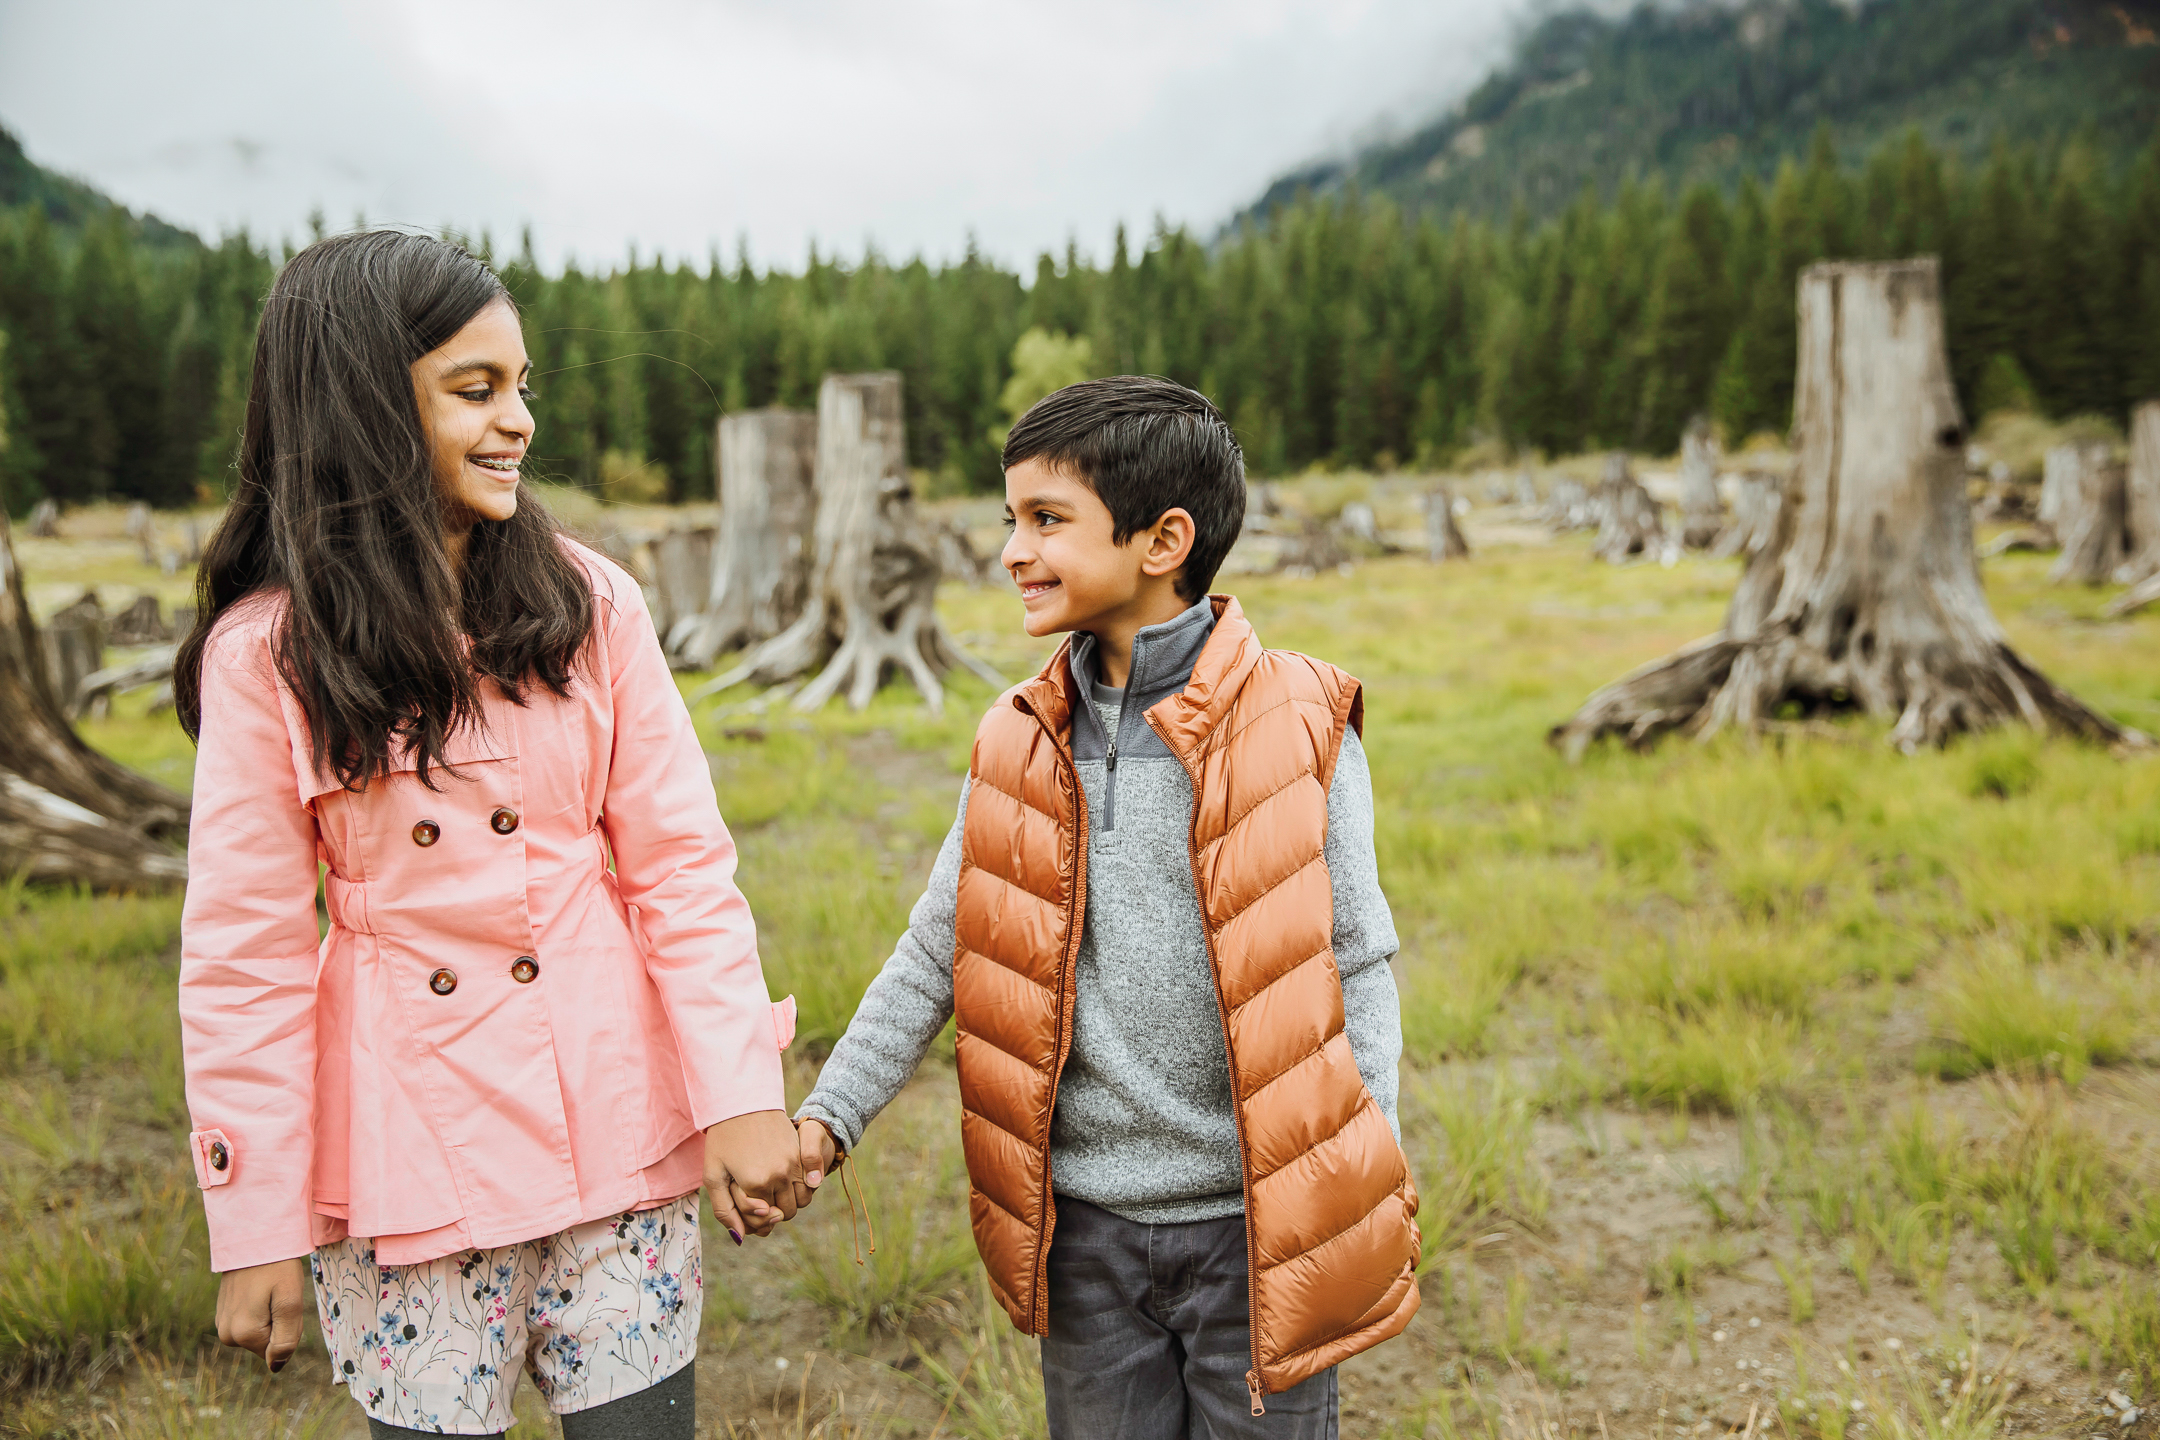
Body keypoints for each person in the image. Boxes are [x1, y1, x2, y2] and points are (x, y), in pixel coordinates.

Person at [174, 230, 807, 1440]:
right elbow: (244, 956)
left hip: (616, 1115)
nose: (518, 421)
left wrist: (737, 1093)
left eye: (523, 387)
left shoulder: (589, 603)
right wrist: (252, 1218)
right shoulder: (268, 656)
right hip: (410, 1148)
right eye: (476, 391)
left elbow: (680, 868)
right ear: (363, 406)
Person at [794, 376, 1421, 1437]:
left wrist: (1351, 1190)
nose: (1012, 550)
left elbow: (1357, 958)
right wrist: (829, 1116)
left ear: (1162, 539)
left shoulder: (1301, 720)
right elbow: (941, 942)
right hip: (1083, 1238)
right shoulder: (1016, 735)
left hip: (1256, 1230)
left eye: (1047, 520)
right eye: (1010, 519)